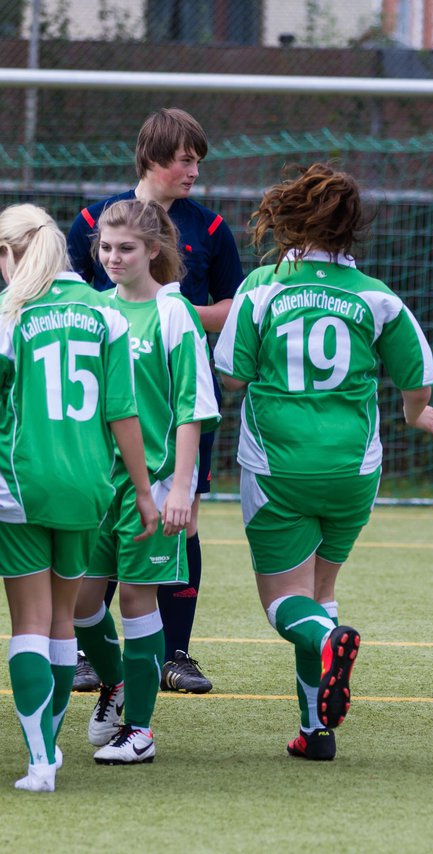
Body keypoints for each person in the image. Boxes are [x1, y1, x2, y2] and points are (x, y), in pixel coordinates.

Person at [213, 163, 433, 761]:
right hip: (353, 469)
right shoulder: (377, 296)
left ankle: (328, 642)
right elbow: (417, 376)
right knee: (320, 590)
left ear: (289, 220)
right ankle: (315, 732)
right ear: (351, 230)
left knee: (284, 604)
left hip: (278, 466)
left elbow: (232, 377)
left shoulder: (264, 286)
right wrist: (416, 414)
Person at [67, 107, 243, 695]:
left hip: (175, 408)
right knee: (102, 521)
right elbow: (64, 300)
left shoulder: (210, 229)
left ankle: (176, 653)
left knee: (180, 521)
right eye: (184, 158)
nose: (193, 169)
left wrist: (173, 318)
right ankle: (93, 653)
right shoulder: (95, 218)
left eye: (198, 159)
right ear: (152, 157)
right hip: (103, 412)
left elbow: (232, 310)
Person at [0, 203, 158, 790]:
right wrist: (143, 492)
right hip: (91, 487)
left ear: (8, 254)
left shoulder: (10, 312)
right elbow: (123, 411)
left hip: (22, 486)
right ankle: (51, 752)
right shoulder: (106, 314)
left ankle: (41, 761)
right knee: (62, 623)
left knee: (30, 624)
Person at [73, 199, 219, 765]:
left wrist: (182, 487)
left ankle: (140, 729)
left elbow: (191, 408)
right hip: (98, 486)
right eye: (105, 248)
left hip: (154, 485)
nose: (113, 257)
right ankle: (116, 684)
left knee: (135, 599)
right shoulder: (98, 310)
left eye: (125, 247)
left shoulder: (173, 312)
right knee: (83, 605)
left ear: (152, 250)